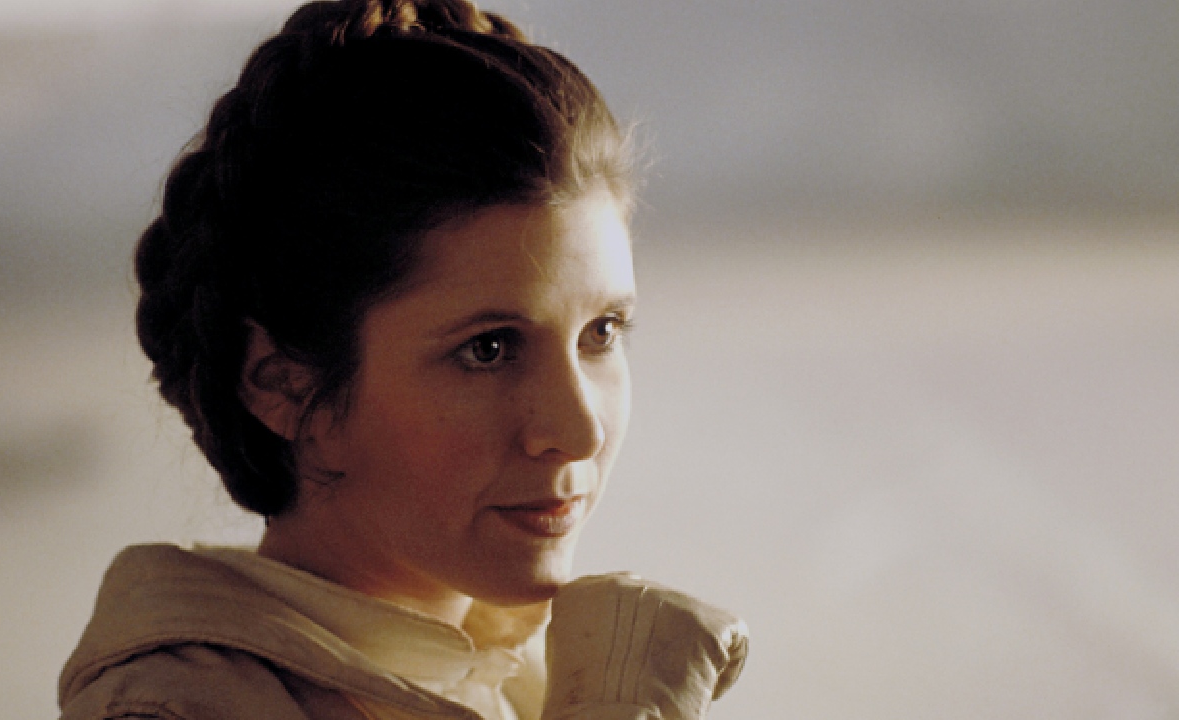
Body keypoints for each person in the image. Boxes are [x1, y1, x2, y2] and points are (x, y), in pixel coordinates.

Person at [57, 1, 747, 719]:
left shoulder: (527, 687)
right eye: (488, 349)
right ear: (283, 384)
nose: (579, 431)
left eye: (601, 332)